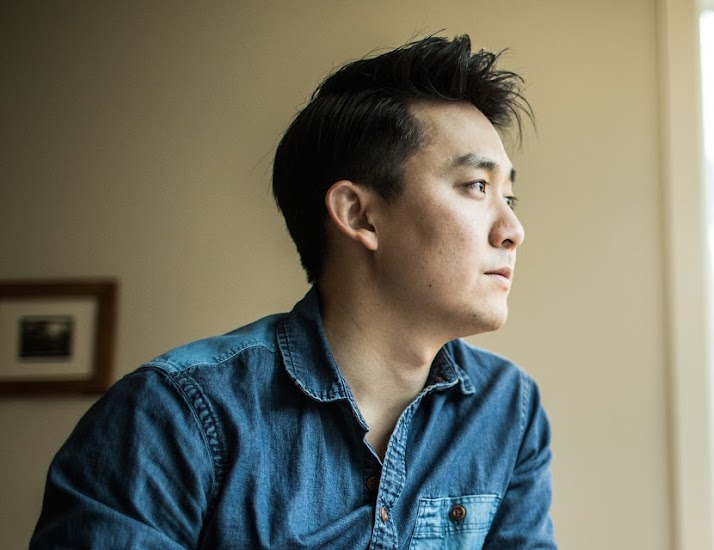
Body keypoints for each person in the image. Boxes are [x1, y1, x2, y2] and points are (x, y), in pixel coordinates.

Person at [30, 35, 555, 549]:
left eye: (510, 195)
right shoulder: (171, 416)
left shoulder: (509, 409)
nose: (513, 229)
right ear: (359, 214)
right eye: (478, 187)